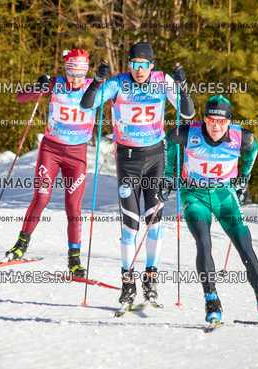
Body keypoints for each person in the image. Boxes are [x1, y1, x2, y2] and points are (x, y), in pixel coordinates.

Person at [80, 42, 194, 306]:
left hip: (155, 158)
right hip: (128, 160)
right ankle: (128, 281)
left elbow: (188, 113)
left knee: (154, 222)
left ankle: (151, 278)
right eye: (134, 64)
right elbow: (87, 105)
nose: (139, 70)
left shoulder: (162, 81)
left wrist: (182, 86)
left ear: (151, 65)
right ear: (129, 64)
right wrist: (97, 82)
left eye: (143, 65)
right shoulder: (118, 83)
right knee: (130, 225)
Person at [160, 95, 258, 326]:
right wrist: (169, 177)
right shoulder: (188, 134)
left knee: (246, 247)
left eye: (221, 121)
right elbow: (170, 140)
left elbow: (253, 150)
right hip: (195, 194)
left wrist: (244, 179)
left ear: (229, 122)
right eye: (211, 120)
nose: (216, 126)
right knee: (204, 242)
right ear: (205, 119)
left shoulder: (242, 138)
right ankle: (212, 302)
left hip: (224, 195)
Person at [5, 49, 105, 278]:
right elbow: (21, 97)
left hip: (77, 155)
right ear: (66, 70)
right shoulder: (56, 84)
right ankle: (20, 245)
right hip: (51, 150)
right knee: (41, 197)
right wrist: (38, 87)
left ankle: (74, 260)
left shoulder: (95, 87)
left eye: (80, 73)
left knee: (73, 206)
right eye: (71, 72)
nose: (75, 78)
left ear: (86, 72)